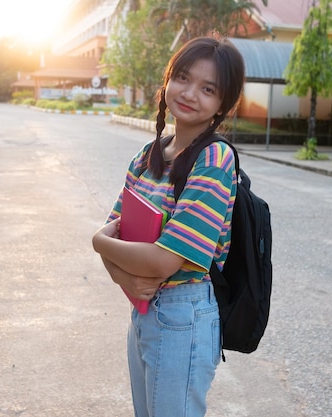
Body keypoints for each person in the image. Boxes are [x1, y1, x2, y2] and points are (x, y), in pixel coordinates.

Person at [92, 36, 245, 417]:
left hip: (184, 316)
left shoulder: (215, 158)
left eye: (208, 89)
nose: (190, 93)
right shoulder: (148, 155)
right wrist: (123, 277)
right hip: (144, 310)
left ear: (222, 104)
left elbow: (161, 262)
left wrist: (96, 242)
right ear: (167, 81)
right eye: (182, 78)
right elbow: (120, 232)